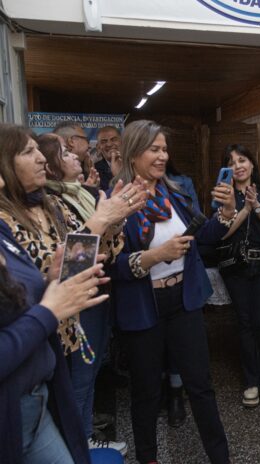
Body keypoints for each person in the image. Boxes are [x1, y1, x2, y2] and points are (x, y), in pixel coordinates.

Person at [0, 123, 143, 453]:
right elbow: (40, 281)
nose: (41, 159)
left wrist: (112, 221)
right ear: (6, 164)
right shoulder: (6, 220)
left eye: (39, 151)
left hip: (62, 328)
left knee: (80, 389)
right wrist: (99, 221)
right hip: (40, 334)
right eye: (29, 152)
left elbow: (83, 259)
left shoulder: (51, 204)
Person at [108, 119, 236, 464]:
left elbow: (204, 236)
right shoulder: (115, 201)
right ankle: (148, 458)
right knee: (146, 392)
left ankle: (220, 458)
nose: (163, 156)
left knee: (201, 386)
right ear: (133, 154)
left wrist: (226, 212)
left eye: (165, 149)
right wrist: (154, 256)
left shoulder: (175, 193)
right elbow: (110, 266)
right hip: (142, 307)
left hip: (183, 301)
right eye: (155, 149)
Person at [1, 207, 109, 464]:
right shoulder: (8, 215)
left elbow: (22, 299)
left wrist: (54, 280)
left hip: (36, 400)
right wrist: (99, 221)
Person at [217, 144, 260, 407]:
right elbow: (222, 232)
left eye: (242, 160)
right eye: (231, 162)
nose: (238, 166)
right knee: (244, 323)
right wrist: (243, 208)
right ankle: (251, 381)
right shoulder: (224, 194)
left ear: (252, 164)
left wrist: (255, 205)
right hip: (236, 266)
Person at [94, 126, 121, 191]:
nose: (109, 144)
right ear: (98, 147)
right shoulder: (95, 170)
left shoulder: (133, 164)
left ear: (121, 142)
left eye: (113, 140)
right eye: (104, 141)